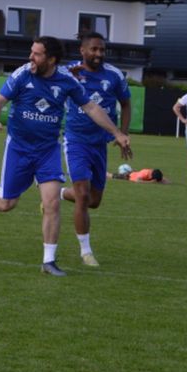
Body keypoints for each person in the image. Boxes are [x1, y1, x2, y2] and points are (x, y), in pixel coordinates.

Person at [0, 36, 130, 275]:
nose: (30, 58)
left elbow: (91, 108)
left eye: (36, 54)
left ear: (51, 59)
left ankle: (48, 261)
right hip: (19, 149)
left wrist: (117, 132)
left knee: (52, 202)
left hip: (48, 150)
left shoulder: (66, 79)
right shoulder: (23, 74)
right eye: (31, 52)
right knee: (6, 203)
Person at [59, 32, 133, 268]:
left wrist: (123, 132)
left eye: (102, 50)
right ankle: (86, 251)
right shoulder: (69, 71)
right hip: (76, 141)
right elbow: (46, 80)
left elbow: (126, 103)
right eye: (94, 49)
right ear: (82, 50)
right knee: (82, 195)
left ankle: (59, 193)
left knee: (94, 201)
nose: (98, 54)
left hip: (100, 143)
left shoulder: (114, 75)